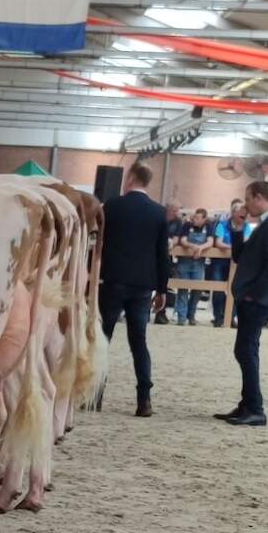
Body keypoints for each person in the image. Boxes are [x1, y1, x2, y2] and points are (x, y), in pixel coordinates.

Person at [214, 181, 268, 427]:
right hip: (252, 296)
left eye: (248, 199)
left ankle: (255, 408)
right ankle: (247, 404)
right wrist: (237, 228)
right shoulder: (265, 224)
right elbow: (240, 256)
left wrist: (254, 294)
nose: (245, 205)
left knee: (246, 350)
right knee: (246, 350)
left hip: (257, 298)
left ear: (259, 197)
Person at [99, 162, 168, 418]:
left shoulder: (112, 206)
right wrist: (162, 289)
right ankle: (144, 399)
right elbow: (163, 254)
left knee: (103, 337)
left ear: (130, 178)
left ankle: (96, 394)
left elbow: (101, 244)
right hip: (143, 285)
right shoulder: (158, 212)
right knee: (139, 341)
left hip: (114, 280)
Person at [211, 201, 252, 328]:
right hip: (220, 262)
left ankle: (230, 317)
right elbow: (218, 243)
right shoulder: (222, 225)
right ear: (234, 212)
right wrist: (235, 246)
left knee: (235, 290)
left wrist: (231, 246)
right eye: (241, 211)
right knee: (218, 290)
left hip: (236, 264)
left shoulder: (247, 227)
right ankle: (218, 317)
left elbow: (246, 241)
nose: (244, 214)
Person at [175, 208, 214, 326]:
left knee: (197, 290)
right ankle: (181, 318)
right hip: (184, 262)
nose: (195, 220)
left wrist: (201, 248)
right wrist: (193, 246)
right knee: (182, 289)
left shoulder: (209, 227)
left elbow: (210, 242)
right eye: (194, 217)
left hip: (199, 263)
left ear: (204, 219)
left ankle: (191, 316)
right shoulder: (187, 225)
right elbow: (183, 240)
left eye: (198, 218)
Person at [154, 202, 182, 325]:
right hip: (154, 255)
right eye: (177, 210)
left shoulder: (178, 222)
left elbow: (176, 239)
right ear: (171, 210)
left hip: (166, 256)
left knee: (164, 284)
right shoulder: (159, 217)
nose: (178, 212)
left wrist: (170, 243)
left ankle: (160, 312)